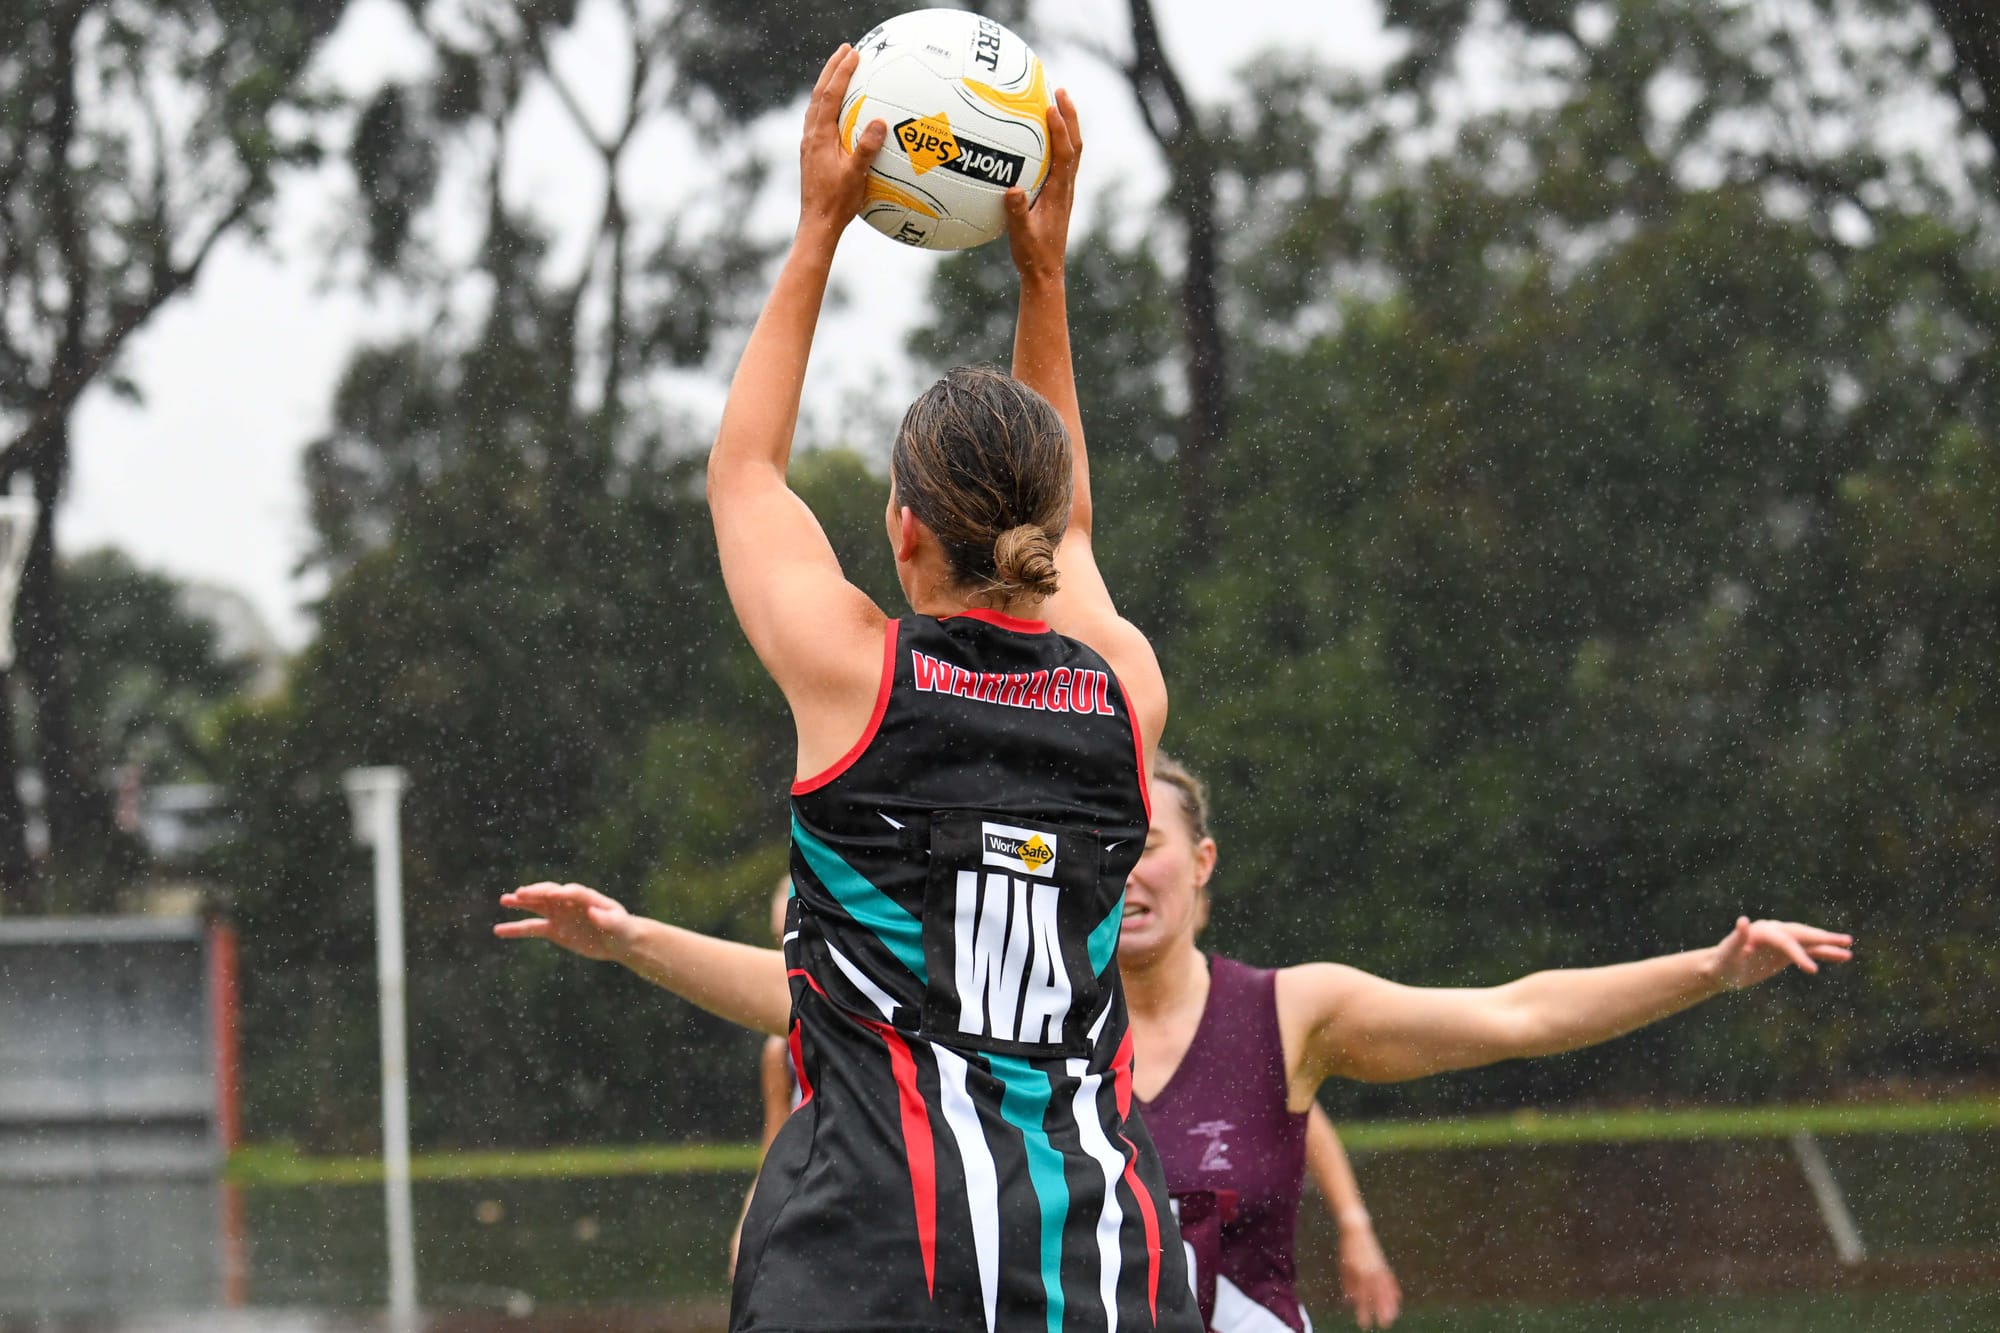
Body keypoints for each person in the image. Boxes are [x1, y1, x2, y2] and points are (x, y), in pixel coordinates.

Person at [502, 44, 1198, 1333]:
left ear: (901, 531)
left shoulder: (858, 680)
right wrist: (1040, 276)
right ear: (1044, 537)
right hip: (1103, 1266)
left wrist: (821, 222)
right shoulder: (1121, 696)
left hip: (880, 1261)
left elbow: (745, 472)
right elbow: (1077, 532)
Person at [1119, 753, 1849, 1333]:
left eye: (1148, 844)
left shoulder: (1286, 1010)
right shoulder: (1029, 1021)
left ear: (1203, 861)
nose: (1124, 867)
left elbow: (1518, 1014)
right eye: (1105, 839)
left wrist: (1709, 971)